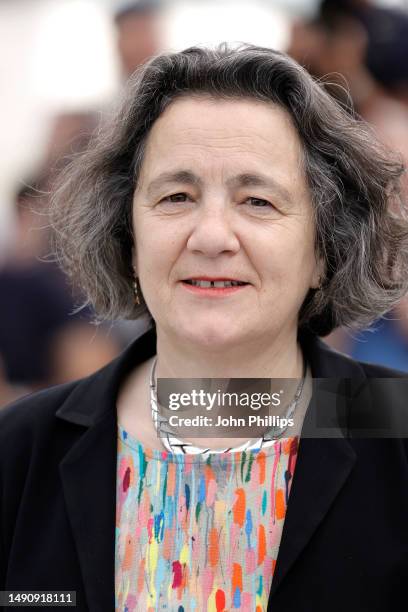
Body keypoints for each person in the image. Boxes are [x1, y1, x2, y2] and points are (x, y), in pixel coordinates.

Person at [1, 44, 408, 611]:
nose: (212, 236)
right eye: (177, 196)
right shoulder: (22, 450)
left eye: (258, 201)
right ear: (127, 237)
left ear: (323, 250)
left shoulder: (397, 428)